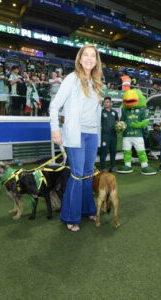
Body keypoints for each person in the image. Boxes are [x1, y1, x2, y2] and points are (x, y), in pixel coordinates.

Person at [49, 44, 103, 232]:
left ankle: (88, 209)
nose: (89, 58)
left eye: (93, 56)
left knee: (88, 174)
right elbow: (54, 106)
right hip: (75, 134)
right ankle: (70, 216)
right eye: (85, 55)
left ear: (96, 61)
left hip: (92, 134)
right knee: (77, 174)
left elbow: (96, 114)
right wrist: (55, 129)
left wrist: (98, 136)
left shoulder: (96, 82)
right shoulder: (72, 79)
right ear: (79, 59)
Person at [100, 96, 119, 172]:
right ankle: (103, 167)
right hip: (105, 135)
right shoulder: (101, 112)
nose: (106, 103)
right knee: (104, 151)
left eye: (107, 102)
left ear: (111, 103)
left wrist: (119, 129)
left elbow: (117, 122)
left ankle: (113, 166)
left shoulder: (115, 112)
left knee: (113, 151)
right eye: (104, 102)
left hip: (114, 135)